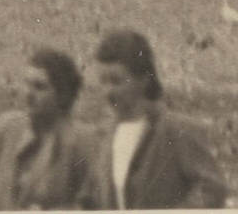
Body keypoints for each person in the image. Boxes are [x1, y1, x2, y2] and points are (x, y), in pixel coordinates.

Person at [87, 30, 226, 210]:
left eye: (116, 81)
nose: (108, 91)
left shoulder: (178, 130)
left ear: (143, 80)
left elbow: (212, 190)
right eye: (102, 81)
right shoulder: (102, 135)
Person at [0, 48, 93, 211]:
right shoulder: (6, 129)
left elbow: (91, 204)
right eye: (26, 84)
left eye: (39, 87)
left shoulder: (82, 141)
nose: (28, 94)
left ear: (63, 95)